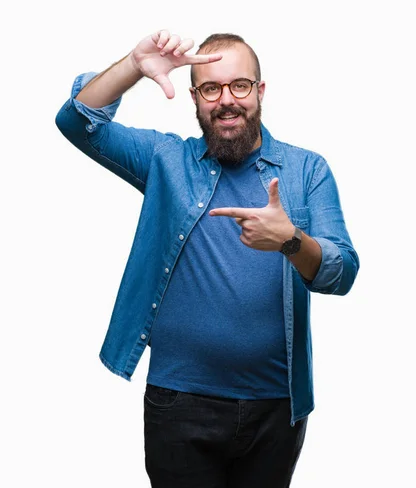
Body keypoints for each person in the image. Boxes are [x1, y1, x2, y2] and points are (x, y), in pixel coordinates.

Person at [55, 29, 359, 488]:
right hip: (179, 404)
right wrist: (134, 65)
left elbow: (343, 272)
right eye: (211, 89)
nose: (226, 100)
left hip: (276, 409)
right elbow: (77, 121)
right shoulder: (167, 160)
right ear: (195, 98)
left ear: (259, 91)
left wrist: (291, 241)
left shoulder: (306, 170)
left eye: (239, 85)